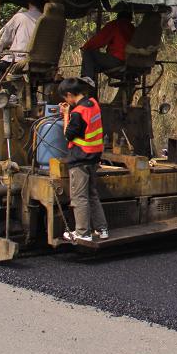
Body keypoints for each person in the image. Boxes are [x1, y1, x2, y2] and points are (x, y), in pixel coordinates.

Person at [59, 77, 109, 242]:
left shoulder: (77, 113)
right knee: (92, 194)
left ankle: (82, 233)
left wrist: (66, 115)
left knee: (79, 197)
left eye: (65, 98)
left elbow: (68, 135)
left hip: (80, 160)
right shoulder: (94, 104)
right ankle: (102, 229)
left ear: (69, 95)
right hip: (94, 157)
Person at [0, 0, 43, 78]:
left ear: (29, 4)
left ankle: (4, 90)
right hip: (42, 61)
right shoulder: (45, 19)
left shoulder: (20, 16)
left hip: (21, 59)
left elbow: (5, 39)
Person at [80, 9, 134, 79]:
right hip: (131, 62)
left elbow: (99, 40)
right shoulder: (133, 28)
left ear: (118, 15)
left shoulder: (116, 24)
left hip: (117, 60)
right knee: (92, 62)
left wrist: (85, 47)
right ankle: (88, 79)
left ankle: (87, 81)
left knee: (88, 52)